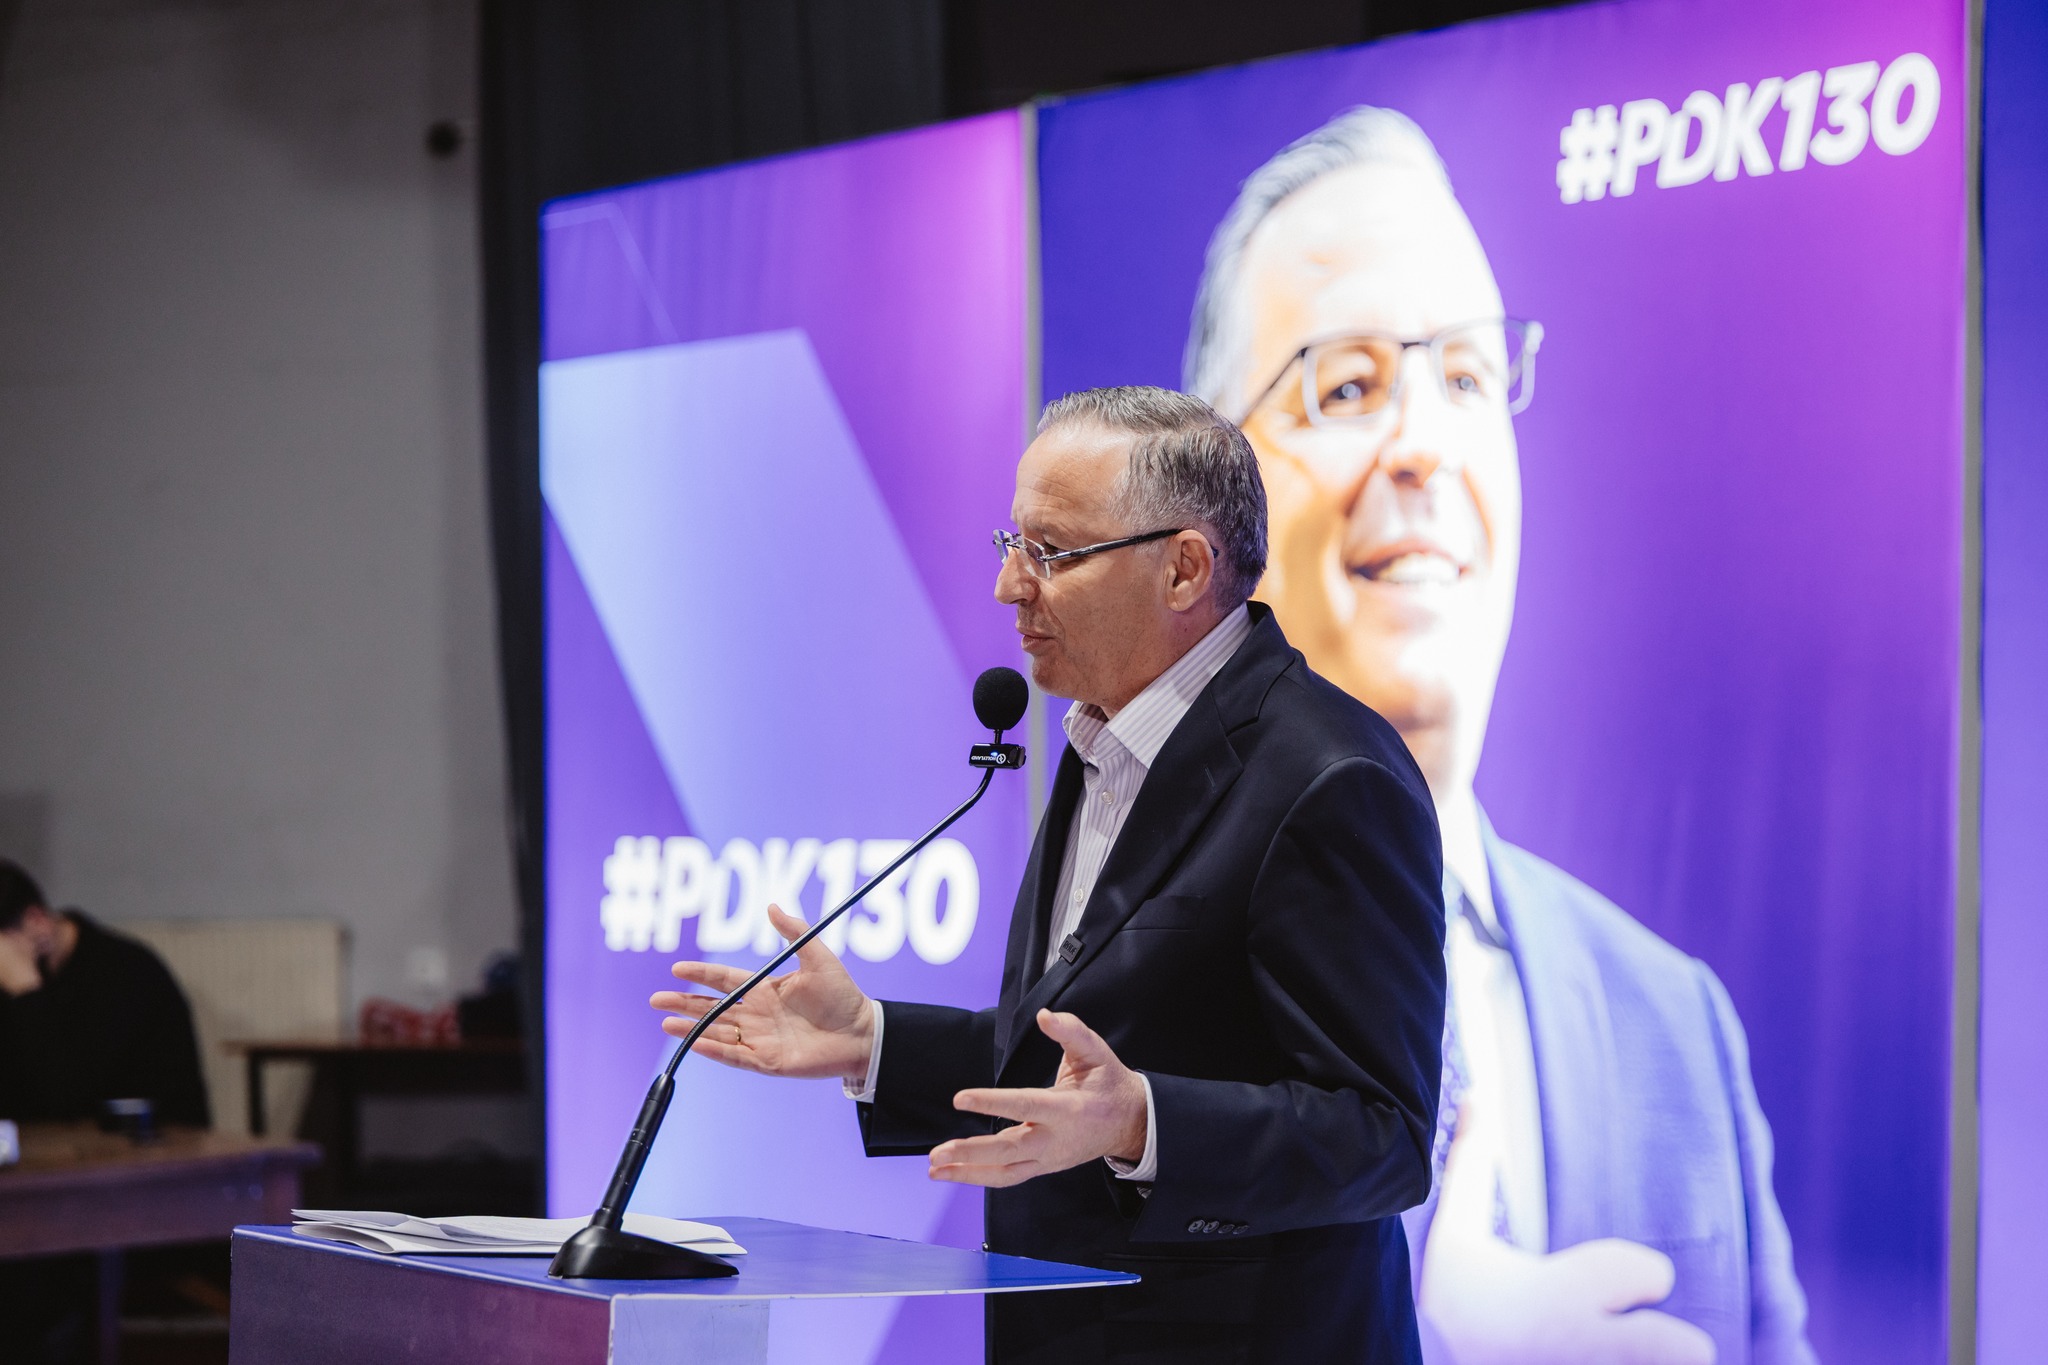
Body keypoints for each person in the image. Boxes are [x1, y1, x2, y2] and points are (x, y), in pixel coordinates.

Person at [1183, 107, 1814, 1365]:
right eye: (1347, 385)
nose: (1423, 444)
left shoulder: (1675, 1024)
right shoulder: (1125, 1003)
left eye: (1466, 377)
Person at [653, 387, 1448, 1365]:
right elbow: (1079, 1063)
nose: (1007, 585)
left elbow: (1381, 1134)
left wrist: (1146, 1124)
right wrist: (873, 1041)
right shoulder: (1105, 736)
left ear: (1183, 569)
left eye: (1051, 552)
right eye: (1011, 542)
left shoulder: (1332, 775)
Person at [0, 859, 209, 1128]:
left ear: (37, 922)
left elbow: (65, 1102)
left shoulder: (126, 974)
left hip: (151, 1144)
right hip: (50, 1148)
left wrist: (27, 993)